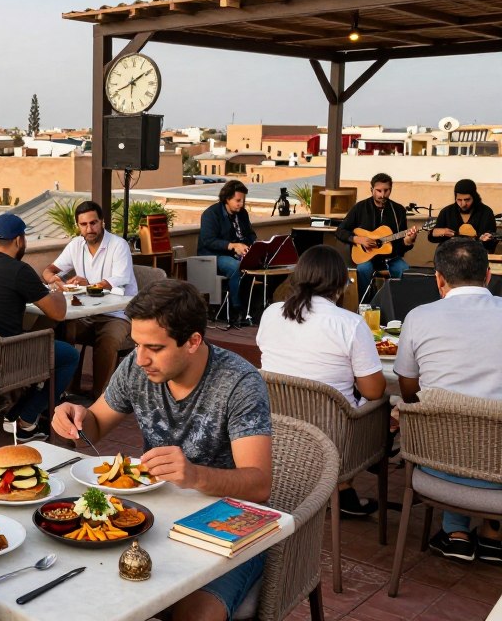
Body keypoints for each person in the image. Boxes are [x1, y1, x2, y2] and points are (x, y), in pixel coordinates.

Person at [53, 280, 272, 621]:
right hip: (152, 519)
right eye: (137, 344)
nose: (140, 358)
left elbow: (259, 485)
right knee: (81, 594)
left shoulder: (239, 383)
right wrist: (76, 420)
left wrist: (194, 475)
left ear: (193, 341)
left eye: (154, 348)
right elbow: (94, 426)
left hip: (227, 530)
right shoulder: (136, 367)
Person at [256, 245, 386, 517]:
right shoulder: (350, 323)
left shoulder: (271, 313)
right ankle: (343, 485)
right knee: (383, 406)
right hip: (336, 440)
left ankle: (339, 490)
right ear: (340, 283)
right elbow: (374, 391)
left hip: (278, 430)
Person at [395, 237, 502, 564]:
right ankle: (493, 534)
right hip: (499, 470)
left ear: (439, 279)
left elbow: (410, 393)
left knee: (443, 422)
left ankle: (456, 533)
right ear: (488, 276)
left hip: (436, 466)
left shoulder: (418, 317)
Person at [0, 213, 80, 442]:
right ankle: (26, 420)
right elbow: (58, 313)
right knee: (68, 356)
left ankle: (17, 411)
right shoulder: (19, 270)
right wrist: (58, 291)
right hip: (3, 358)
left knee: (40, 342)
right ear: (19, 240)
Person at [41, 200, 138, 398]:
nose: (89, 229)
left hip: (117, 314)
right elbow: (49, 270)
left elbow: (118, 280)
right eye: (84, 224)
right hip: (86, 313)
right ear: (78, 226)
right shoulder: (76, 245)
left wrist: (88, 285)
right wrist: (54, 279)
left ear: (102, 222)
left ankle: (100, 396)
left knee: (109, 340)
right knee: (62, 329)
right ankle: (68, 389)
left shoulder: (118, 245)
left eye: (93, 223)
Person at [336, 173, 419, 303]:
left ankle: (398, 305)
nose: (382, 195)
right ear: (372, 190)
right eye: (379, 191)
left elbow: (400, 247)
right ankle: (365, 305)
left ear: (391, 189)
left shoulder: (398, 211)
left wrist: (408, 241)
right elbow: (340, 231)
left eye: (386, 190)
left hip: (390, 258)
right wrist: (358, 239)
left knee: (404, 269)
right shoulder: (360, 208)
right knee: (364, 269)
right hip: (366, 257)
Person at [198, 180, 257, 324]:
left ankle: (255, 307)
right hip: (214, 255)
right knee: (236, 267)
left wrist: (250, 246)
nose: (241, 204)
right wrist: (232, 246)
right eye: (238, 200)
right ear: (227, 198)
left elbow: (250, 235)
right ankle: (237, 310)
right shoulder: (211, 214)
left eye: (243, 200)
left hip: (237, 253)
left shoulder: (242, 214)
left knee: (263, 264)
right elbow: (208, 240)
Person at [428, 178, 498, 253]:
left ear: (474, 197)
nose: (463, 204)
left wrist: (487, 240)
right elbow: (433, 238)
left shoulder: (486, 212)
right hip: (450, 255)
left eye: (467, 200)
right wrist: (436, 232)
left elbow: (492, 243)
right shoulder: (446, 212)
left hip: (476, 256)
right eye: (459, 200)